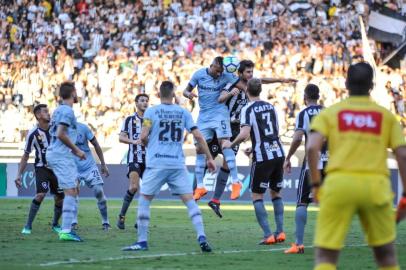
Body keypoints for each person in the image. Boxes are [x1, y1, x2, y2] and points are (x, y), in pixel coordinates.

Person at [307, 62, 406, 270]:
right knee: (386, 255)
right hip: (375, 187)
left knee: (326, 255)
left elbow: (311, 148)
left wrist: (316, 185)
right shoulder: (386, 116)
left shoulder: (331, 113)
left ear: (346, 84)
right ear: (372, 85)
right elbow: (403, 155)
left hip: (338, 185)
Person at [122, 81, 216, 252]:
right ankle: (201, 236)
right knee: (189, 201)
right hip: (177, 164)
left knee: (144, 199)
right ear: (173, 94)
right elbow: (199, 136)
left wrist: (150, 145)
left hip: (156, 163)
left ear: (159, 94)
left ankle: (142, 241)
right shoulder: (183, 112)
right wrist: (209, 158)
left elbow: (143, 136)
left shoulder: (151, 111)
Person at [208, 59, 297, 218]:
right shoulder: (233, 85)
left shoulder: (251, 85)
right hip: (224, 126)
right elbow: (220, 98)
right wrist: (229, 94)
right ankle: (195, 190)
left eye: (251, 72)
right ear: (240, 73)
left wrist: (281, 80)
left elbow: (263, 80)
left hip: (237, 129)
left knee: (227, 164)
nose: (251, 75)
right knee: (207, 156)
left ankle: (215, 200)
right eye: (248, 72)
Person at [223, 78, 286, 245]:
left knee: (257, 195)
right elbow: (272, 132)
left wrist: (231, 144)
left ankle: (268, 235)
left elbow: (244, 133)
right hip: (278, 152)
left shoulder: (247, 108)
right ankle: (280, 232)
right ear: (261, 90)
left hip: (263, 156)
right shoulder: (271, 106)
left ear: (246, 91)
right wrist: (255, 145)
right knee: (275, 193)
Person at [183, 56, 246, 201]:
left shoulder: (226, 75)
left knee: (224, 143)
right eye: (217, 71)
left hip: (220, 114)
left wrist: (252, 96)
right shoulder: (199, 74)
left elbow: (244, 86)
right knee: (199, 148)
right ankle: (200, 186)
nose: (219, 74)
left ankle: (236, 183)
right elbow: (185, 91)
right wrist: (189, 94)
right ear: (211, 66)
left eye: (221, 72)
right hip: (204, 116)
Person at [283, 84, 328, 254]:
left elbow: (298, 137)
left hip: (312, 162)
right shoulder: (328, 112)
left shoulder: (304, 114)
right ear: (318, 96)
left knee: (302, 202)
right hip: (330, 162)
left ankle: (299, 244)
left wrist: (288, 158)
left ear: (305, 97)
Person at [15, 104, 64, 235]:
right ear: (38, 116)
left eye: (48, 111)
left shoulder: (56, 128)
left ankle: (55, 224)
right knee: (40, 194)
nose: (49, 113)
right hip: (42, 168)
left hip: (57, 169)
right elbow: (25, 155)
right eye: (46, 112)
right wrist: (19, 174)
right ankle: (28, 225)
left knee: (60, 197)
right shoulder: (33, 134)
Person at [46, 81, 86, 242]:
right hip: (61, 154)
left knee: (73, 189)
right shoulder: (67, 111)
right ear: (73, 93)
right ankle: (66, 230)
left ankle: (66, 228)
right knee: (71, 191)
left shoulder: (57, 110)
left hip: (59, 154)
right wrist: (77, 150)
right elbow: (61, 134)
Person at [117, 94, 149, 230]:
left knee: (147, 191)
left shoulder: (149, 121)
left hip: (149, 160)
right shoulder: (129, 120)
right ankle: (121, 216)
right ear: (136, 103)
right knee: (134, 187)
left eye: (147, 101)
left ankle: (140, 219)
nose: (145, 103)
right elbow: (121, 138)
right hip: (134, 158)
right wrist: (133, 141)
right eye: (142, 100)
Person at [73, 122, 110, 231]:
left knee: (99, 191)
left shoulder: (83, 128)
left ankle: (105, 222)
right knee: (73, 192)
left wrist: (103, 164)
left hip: (89, 166)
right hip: (73, 167)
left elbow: (96, 144)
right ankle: (73, 222)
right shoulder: (61, 130)